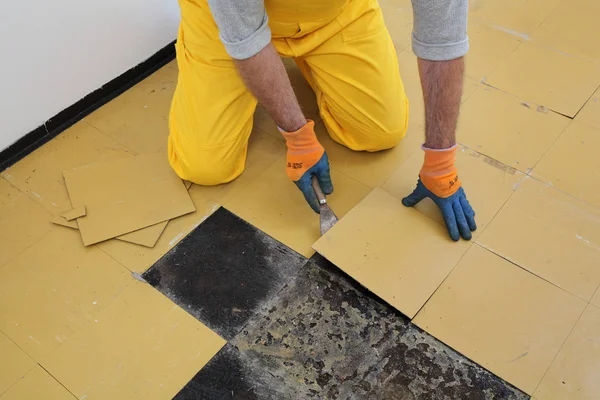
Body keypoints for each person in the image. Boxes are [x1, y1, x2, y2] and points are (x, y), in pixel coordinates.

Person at [167, 0, 477, 241]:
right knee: (205, 167)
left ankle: (309, 64)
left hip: (333, 16)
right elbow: (246, 40)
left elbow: (443, 40)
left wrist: (441, 162)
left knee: (381, 134)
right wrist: (297, 136)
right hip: (225, 25)